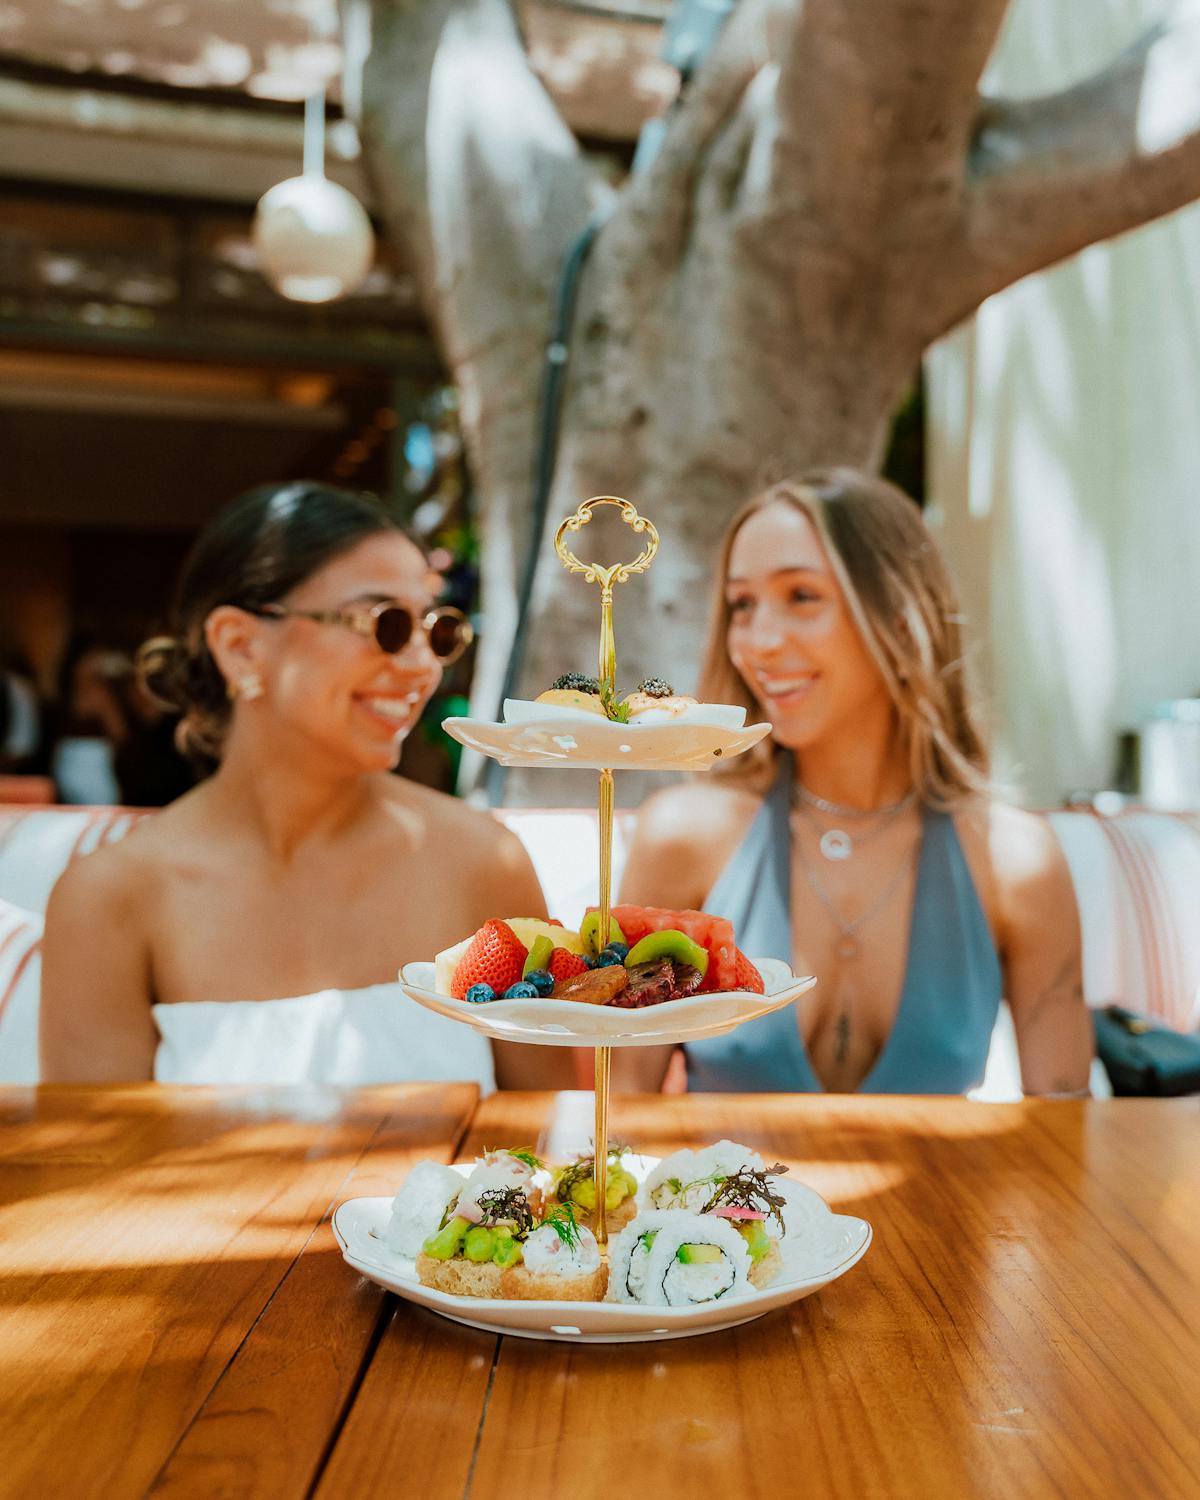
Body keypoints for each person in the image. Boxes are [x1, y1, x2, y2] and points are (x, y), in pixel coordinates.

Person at [40, 481, 563, 1090]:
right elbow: (96, 1170)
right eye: (386, 623)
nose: (424, 665)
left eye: (437, 629)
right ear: (240, 648)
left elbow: (556, 1142)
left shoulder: (483, 863)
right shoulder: (110, 898)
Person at [617, 469, 1093, 1096]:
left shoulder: (1015, 863)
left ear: (900, 618)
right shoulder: (685, 836)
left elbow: (1063, 1131)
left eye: (802, 596)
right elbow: (618, 1116)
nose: (759, 642)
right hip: (704, 1197)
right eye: (742, 604)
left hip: (940, 1197)